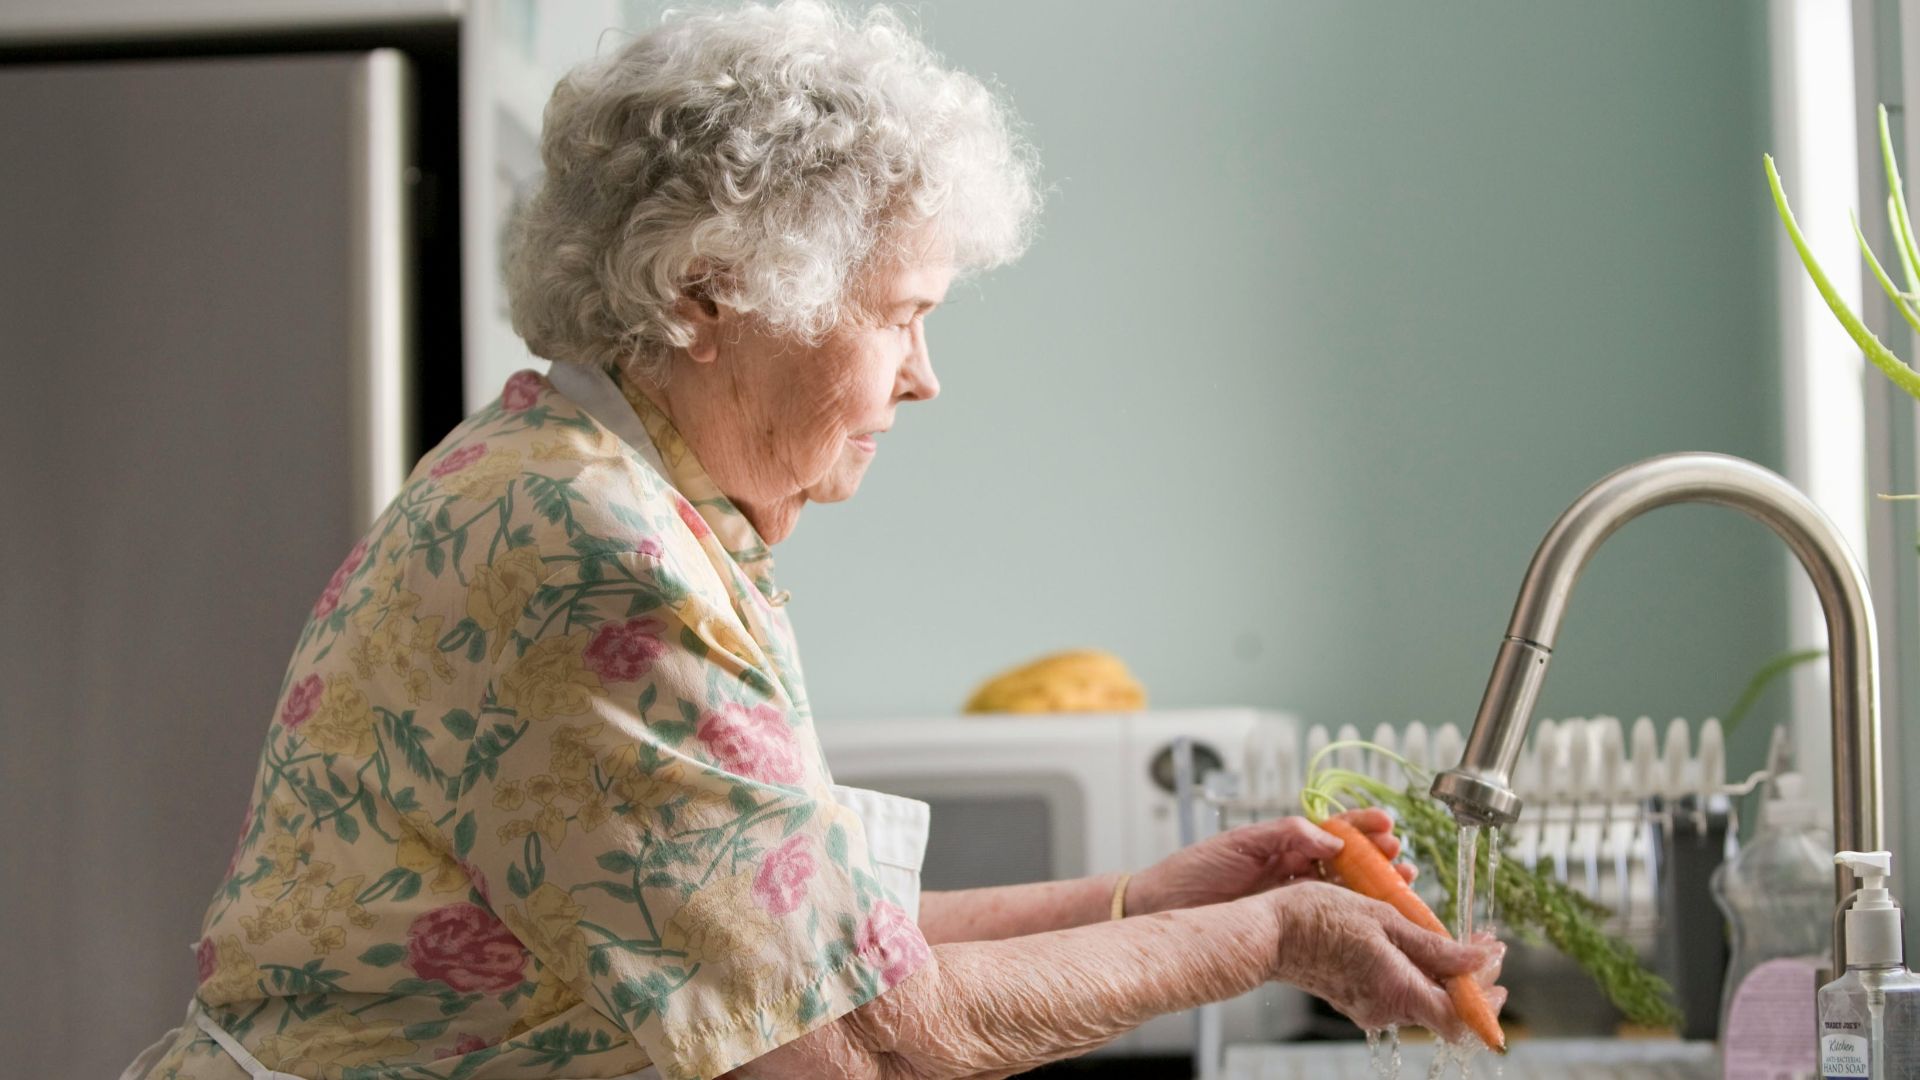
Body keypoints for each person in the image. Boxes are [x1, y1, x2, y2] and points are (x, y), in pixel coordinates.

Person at [122, 3, 1502, 1077]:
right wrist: (1273, 936)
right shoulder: (586, 552)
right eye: (900, 314)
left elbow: (803, 957)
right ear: (715, 291)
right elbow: (860, 1042)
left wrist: (1150, 899)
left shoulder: (603, 494)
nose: (924, 376)